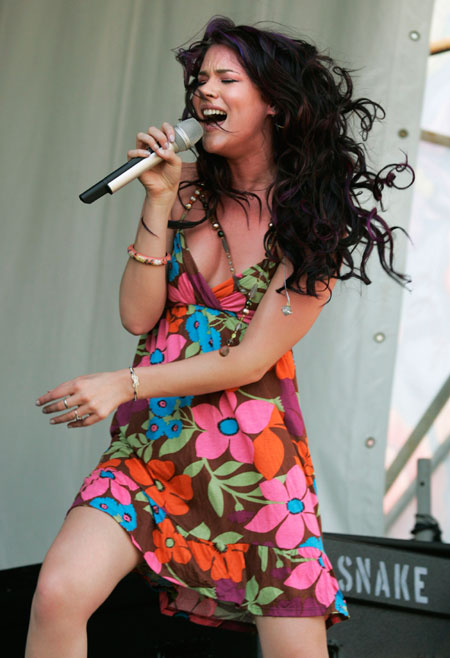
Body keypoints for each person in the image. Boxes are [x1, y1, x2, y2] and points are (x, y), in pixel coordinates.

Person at [26, 16, 414, 658]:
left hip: (253, 462)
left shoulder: (316, 217)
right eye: (199, 79)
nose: (204, 90)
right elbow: (137, 316)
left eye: (226, 78)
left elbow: (251, 358)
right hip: (152, 442)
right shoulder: (185, 191)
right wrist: (157, 199)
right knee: (57, 594)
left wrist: (120, 383)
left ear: (274, 103)